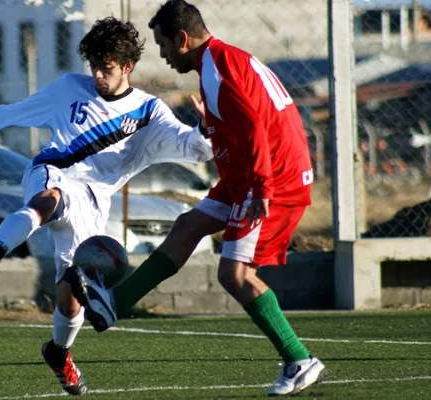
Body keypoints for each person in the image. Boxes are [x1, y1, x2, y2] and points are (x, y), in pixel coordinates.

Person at [0, 16, 212, 396]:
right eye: (93, 66)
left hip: (93, 204)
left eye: (106, 68)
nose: (97, 75)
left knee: (71, 293)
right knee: (54, 198)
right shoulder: (67, 89)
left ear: (127, 66)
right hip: (49, 171)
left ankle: (58, 351)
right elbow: (12, 112)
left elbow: (193, 148)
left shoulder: (149, 114)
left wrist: (207, 129)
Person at [67, 1, 327, 396]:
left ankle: (299, 359)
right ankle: (116, 304)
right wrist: (212, 124)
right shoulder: (220, 62)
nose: (162, 55)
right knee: (188, 226)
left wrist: (260, 186)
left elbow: (255, 125)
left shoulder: (218, 68)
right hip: (247, 174)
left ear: (182, 40)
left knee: (235, 274)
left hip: (272, 177)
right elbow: (246, 117)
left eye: (163, 45)